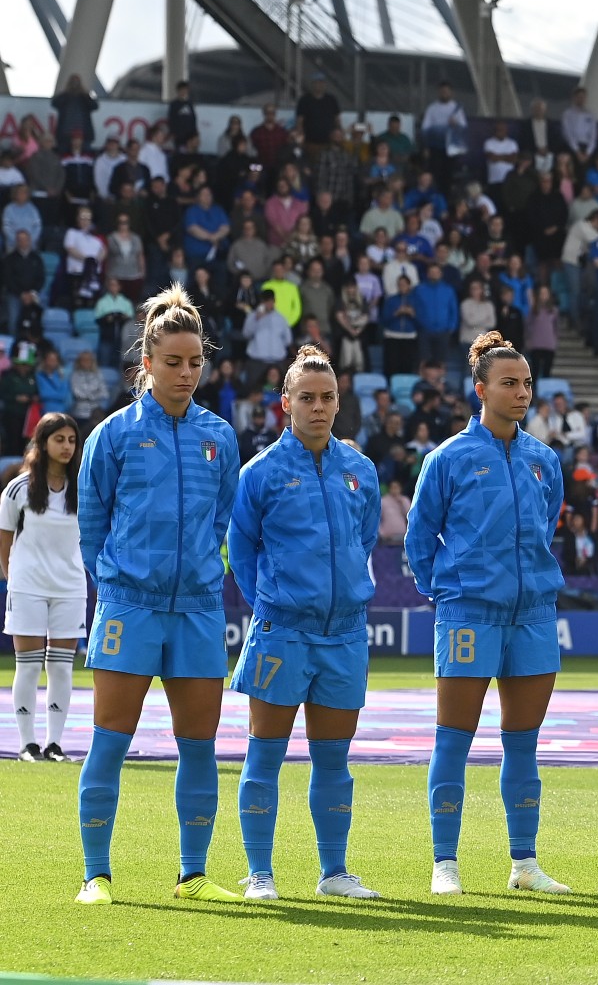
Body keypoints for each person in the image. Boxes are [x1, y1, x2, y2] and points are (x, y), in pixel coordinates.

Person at [74, 287, 243, 905]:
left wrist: (202, 572)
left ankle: (193, 875)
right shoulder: (111, 437)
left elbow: (224, 519)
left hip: (198, 610)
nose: (186, 372)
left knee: (198, 747)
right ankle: (96, 874)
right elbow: (92, 524)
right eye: (172, 362)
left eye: (195, 361)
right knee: (110, 741)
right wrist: (118, 584)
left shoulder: (219, 437)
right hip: (129, 607)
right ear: (146, 363)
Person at [405, 332, 571, 896]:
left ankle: (524, 864)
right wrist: (448, 593)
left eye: (526, 383)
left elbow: (546, 527)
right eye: (509, 383)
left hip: (532, 615)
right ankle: (444, 863)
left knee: (523, 742)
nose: (522, 393)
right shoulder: (448, 458)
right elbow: (419, 536)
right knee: (453, 739)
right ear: (481, 390)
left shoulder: (544, 459)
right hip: (469, 614)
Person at [227, 346, 382, 900]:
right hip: (282, 632)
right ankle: (259, 873)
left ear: (339, 402)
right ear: (286, 404)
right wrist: (273, 600)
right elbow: (241, 550)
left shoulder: (360, 470)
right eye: (308, 398)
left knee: (334, 760)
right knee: (264, 753)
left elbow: (363, 539)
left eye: (329, 397)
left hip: (344, 633)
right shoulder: (260, 473)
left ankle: (334, 873)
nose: (319, 407)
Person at [4, 413, 83, 763]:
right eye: (59, 439)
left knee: (62, 666)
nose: (66, 446)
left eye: (71, 440)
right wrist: (12, 577)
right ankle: (27, 744)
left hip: (70, 587)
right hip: (27, 586)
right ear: (43, 443)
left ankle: (54, 743)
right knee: (29, 665)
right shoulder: (18, 487)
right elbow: (3, 538)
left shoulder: (83, 487)